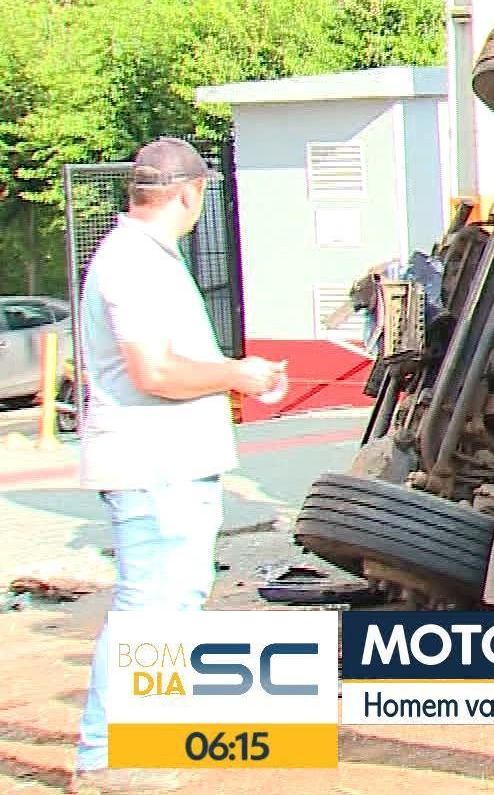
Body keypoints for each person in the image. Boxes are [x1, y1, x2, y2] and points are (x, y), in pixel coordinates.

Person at [71, 138, 284, 794]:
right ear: (189, 193)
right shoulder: (133, 264)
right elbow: (154, 370)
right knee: (151, 610)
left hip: (169, 465)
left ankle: (137, 745)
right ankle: (106, 758)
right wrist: (237, 375)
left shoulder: (146, 258)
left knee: (171, 605)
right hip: (154, 466)